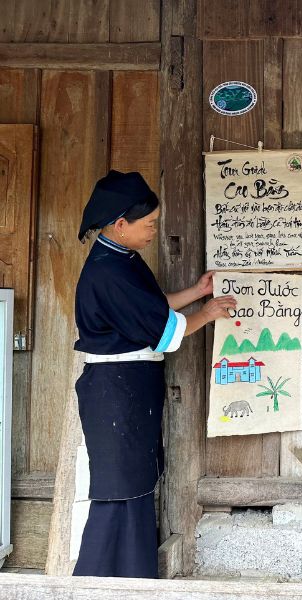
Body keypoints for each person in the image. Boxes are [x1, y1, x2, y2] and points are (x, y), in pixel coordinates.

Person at [72, 170, 236, 578]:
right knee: (118, 491)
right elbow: (165, 332)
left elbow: (153, 306)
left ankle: (135, 579)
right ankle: (96, 584)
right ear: (120, 224)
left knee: (135, 486)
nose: (153, 231)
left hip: (129, 391)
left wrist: (197, 293)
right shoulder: (107, 272)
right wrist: (206, 314)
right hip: (114, 393)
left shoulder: (123, 259)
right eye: (148, 224)